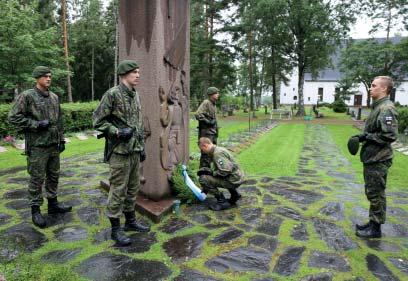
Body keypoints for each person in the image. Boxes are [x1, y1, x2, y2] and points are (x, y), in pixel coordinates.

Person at [93, 60, 150, 246]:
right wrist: (115, 131)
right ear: (124, 74)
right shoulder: (112, 94)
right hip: (119, 152)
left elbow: (138, 124)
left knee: (133, 189)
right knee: (118, 190)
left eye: (139, 72)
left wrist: (141, 147)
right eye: (135, 72)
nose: (138, 75)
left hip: (134, 150)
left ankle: (131, 222)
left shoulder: (135, 95)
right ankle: (116, 229)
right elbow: (97, 121)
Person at [8, 66, 71, 228]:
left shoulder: (54, 97)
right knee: (36, 179)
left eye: (50, 76)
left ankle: (53, 205)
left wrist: (61, 140)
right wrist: (35, 124)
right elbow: (13, 117)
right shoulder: (27, 96)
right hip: (37, 146)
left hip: (53, 145)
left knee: (53, 176)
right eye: (45, 76)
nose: (48, 79)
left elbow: (59, 120)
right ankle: (35, 210)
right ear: (37, 78)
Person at [354, 76, 398, 238]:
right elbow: (377, 130)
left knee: (376, 193)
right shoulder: (378, 106)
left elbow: (390, 135)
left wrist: (367, 137)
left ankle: (376, 229)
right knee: (372, 192)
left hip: (379, 159)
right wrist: (364, 135)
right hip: (373, 158)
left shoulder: (386, 109)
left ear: (384, 89)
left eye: (373, 86)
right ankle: (373, 222)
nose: (370, 88)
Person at [198, 137, 244, 211]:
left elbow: (225, 171)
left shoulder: (217, 154)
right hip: (236, 177)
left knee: (203, 179)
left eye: (202, 149)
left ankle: (222, 202)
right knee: (210, 175)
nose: (202, 151)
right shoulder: (218, 149)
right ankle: (235, 194)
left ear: (205, 146)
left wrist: (212, 173)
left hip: (233, 180)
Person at [195, 87, 219, 170]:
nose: (218, 95)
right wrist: (207, 121)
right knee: (206, 153)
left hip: (212, 132)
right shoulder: (206, 102)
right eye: (216, 93)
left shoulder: (213, 104)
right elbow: (198, 114)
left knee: (212, 152)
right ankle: (204, 172)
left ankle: (210, 170)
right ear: (211, 94)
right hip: (206, 133)